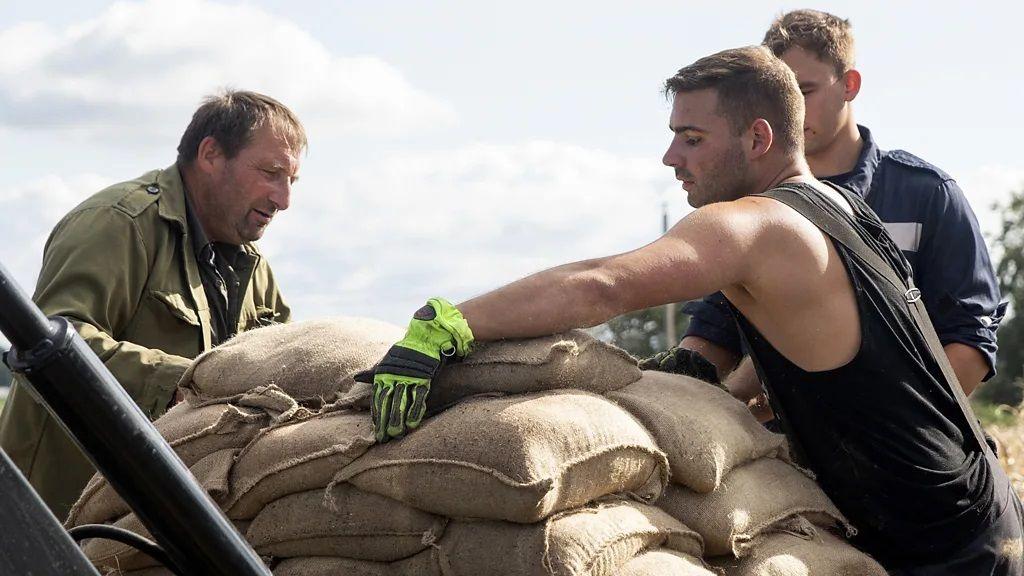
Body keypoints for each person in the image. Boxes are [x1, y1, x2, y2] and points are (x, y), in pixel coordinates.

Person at [363, 47, 1023, 574]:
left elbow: (603, 285)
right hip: (980, 516)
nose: (670, 157)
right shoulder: (842, 211)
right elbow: (815, 374)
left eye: (691, 137)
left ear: (758, 136)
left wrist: (448, 324)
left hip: (943, 551)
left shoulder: (757, 227)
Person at [676, 10, 1004, 418]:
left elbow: (970, 338)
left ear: (849, 85)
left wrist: (890, 423)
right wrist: (669, 393)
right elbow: (715, 332)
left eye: (804, 91)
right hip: (777, 447)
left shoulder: (926, 194)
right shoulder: (750, 208)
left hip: (905, 453)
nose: (788, 109)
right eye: (776, 96)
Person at [0, 90, 302, 520]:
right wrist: (190, 383)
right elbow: (51, 343)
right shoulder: (119, 223)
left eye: (292, 180)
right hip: (56, 521)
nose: (284, 198)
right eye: (271, 173)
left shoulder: (252, 269)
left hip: (159, 520)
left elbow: (289, 360)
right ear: (211, 154)